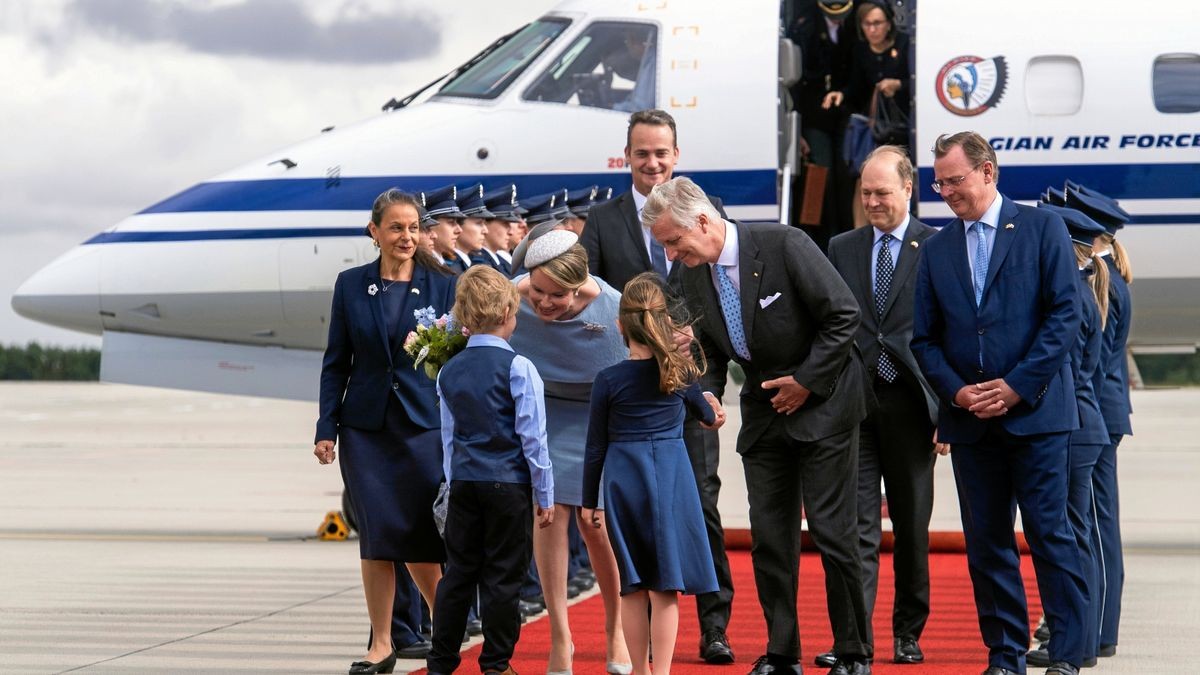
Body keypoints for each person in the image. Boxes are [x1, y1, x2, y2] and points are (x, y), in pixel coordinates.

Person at [644, 176, 873, 675]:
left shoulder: (784, 243)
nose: (670, 253)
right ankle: (783, 651)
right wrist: (705, 391)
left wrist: (807, 383)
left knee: (833, 534)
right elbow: (706, 347)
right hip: (766, 410)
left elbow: (843, 316)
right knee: (770, 537)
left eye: (673, 241)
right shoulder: (691, 274)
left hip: (826, 402)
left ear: (701, 222)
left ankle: (853, 652)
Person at [910, 132, 1088, 675]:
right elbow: (924, 340)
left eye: (955, 180)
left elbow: (1065, 317)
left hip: (1036, 415)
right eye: (938, 182)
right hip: (971, 424)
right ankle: (1005, 654)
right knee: (987, 546)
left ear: (989, 172)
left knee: (1050, 536)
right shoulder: (936, 248)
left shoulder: (1041, 229)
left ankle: (1067, 654)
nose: (945, 192)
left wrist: (1015, 386)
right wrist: (958, 392)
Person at [580, 108, 736, 665]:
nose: (652, 162)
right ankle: (634, 647)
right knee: (638, 545)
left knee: (704, 510)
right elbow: (588, 303)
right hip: (629, 394)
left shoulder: (706, 213)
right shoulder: (604, 220)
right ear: (628, 156)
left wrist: (697, 365)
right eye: (642, 153)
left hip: (691, 388)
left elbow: (725, 292)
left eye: (661, 153)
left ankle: (714, 626)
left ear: (676, 156)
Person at [314, 189, 455, 675]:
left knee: (421, 536)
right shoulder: (351, 285)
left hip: (422, 426)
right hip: (366, 430)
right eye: (396, 227)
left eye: (413, 228)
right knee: (375, 536)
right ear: (374, 232)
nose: (406, 236)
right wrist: (325, 427)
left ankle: (446, 631)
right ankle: (381, 643)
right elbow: (337, 363)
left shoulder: (444, 283)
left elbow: (458, 358)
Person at [824, 145, 942, 668]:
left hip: (913, 406)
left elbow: (951, 332)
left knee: (913, 527)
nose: (872, 201)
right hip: (856, 405)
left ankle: (907, 632)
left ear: (908, 189)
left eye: (882, 193)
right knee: (855, 527)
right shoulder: (841, 247)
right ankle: (856, 638)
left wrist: (948, 411)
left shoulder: (936, 247)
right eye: (865, 192)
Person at [581, 272, 727, 675]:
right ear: (662, 322)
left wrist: (588, 500)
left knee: (633, 585)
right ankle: (660, 672)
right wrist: (710, 401)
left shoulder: (607, 380)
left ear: (619, 326)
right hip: (669, 476)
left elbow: (594, 446)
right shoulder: (679, 372)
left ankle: (640, 672)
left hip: (622, 481)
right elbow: (708, 417)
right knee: (665, 585)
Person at [508, 230, 633, 675]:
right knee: (549, 515)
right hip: (543, 415)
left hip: (600, 416)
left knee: (592, 520)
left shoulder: (614, 308)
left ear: (579, 285)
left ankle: (616, 627)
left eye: (556, 295)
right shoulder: (511, 298)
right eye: (536, 290)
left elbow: (642, 370)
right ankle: (561, 636)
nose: (542, 302)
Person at [426, 265, 555, 675]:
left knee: (458, 574)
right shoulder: (520, 368)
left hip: (464, 481)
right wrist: (545, 493)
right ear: (506, 314)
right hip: (508, 483)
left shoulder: (449, 370)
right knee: (503, 578)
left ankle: (441, 662)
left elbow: (448, 438)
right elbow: (533, 439)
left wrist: (450, 484)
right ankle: (496, 664)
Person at [1023, 202, 1111, 670]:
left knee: (1071, 539)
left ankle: (1076, 643)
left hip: (1072, 427)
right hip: (1085, 422)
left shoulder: (1069, 296)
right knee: (1077, 536)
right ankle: (1082, 640)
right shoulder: (1081, 290)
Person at [1066, 185, 1133, 659]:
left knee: (1095, 525)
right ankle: (1094, 626)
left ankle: (1098, 629)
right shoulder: (1104, 280)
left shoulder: (1105, 285)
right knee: (1094, 521)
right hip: (1100, 410)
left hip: (1096, 413)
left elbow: (1092, 362)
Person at [786, 0, 859, 249]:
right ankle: (819, 242)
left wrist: (845, 93)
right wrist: (797, 130)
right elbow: (794, 81)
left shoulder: (855, 26)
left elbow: (857, 72)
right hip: (813, 117)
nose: (838, 20)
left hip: (844, 113)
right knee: (819, 176)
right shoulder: (805, 28)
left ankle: (847, 237)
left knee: (846, 177)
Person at [421, 184, 469, 273]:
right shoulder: (424, 270)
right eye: (451, 222)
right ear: (431, 225)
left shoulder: (445, 265)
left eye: (458, 223)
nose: (459, 230)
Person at [455, 182, 496, 271]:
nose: (485, 231)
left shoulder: (475, 263)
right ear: (458, 225)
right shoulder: (452, 270)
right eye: (478, 223)